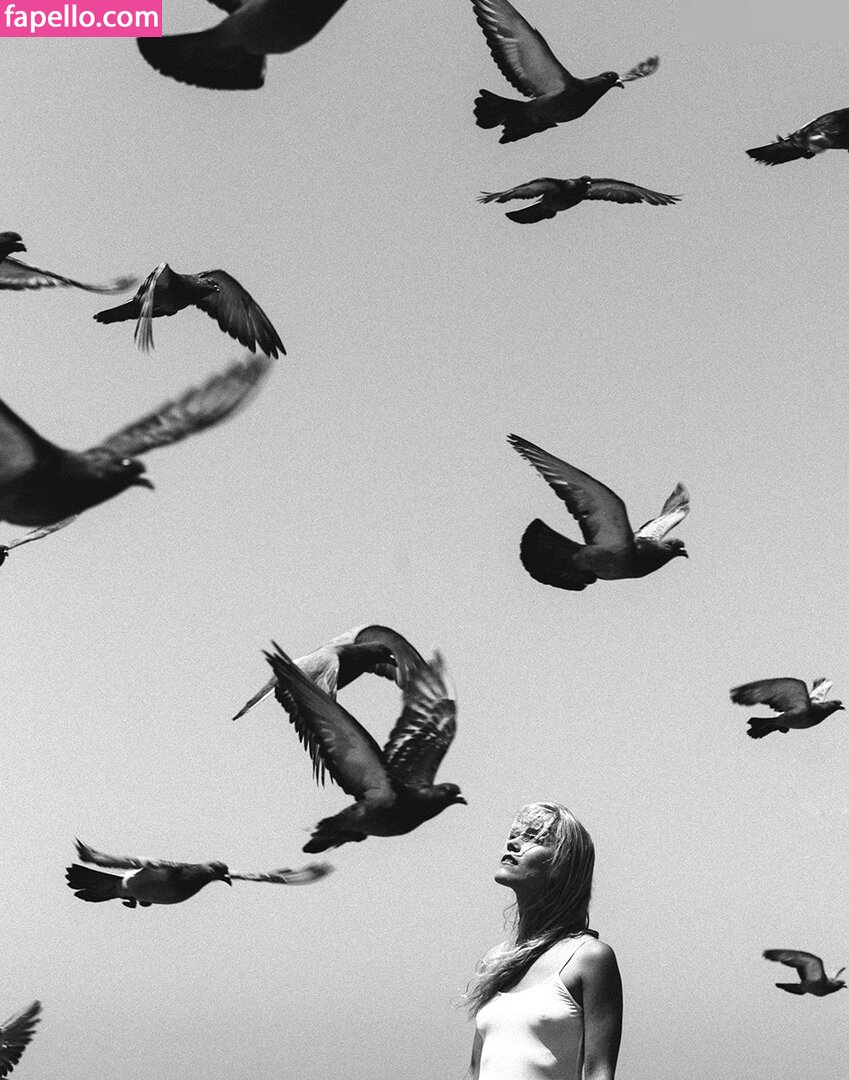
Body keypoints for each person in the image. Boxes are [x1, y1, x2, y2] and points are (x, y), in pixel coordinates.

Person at [465, 802, 622, 1080]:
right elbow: (475, 1071)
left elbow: (599, 1072)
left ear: (562, 866)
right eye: (514, 835)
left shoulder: (588, 958)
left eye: (534, 839)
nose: (513, 843)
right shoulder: (496, 961)